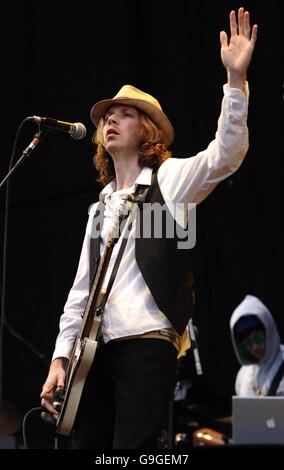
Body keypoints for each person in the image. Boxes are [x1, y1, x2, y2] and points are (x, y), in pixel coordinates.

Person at [40, 8, 257, 449]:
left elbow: (225, 154)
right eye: (108, 117)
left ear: (148, 131)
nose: (111, 121)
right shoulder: (99, 207)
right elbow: (80, 292)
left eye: (125, 114)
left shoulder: (170, 179)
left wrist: (235, 81)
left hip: (146, 345)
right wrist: (61, 356)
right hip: (93, 353)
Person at [230, 295, 284, 396]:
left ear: (269, 332)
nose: (255, 347)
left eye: (258, 338)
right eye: (247, 343)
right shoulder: (243, 377)